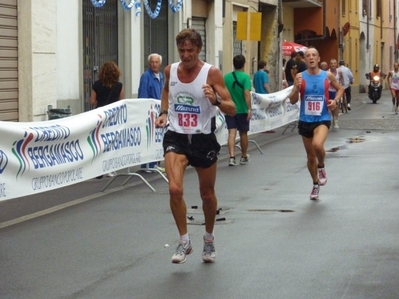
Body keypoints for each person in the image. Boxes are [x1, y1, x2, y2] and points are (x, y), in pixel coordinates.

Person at [155, 28, 236, 264]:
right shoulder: (171, 70)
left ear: (199, 50)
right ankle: (184, 240)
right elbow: (167, 90)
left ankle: (209, 238)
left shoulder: (212, 74)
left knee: (207, 195)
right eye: (182, 50)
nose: (186, 55)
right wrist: (163, 112)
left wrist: (216, 100)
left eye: (190, 50)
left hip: (203, 137)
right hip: (176, 136)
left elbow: (232, 107)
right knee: (175, 190)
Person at [288, 47, 344, 200]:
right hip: (305, 120)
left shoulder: (327, 75)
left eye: (314, 55)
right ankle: (315, 184)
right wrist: (295, 87)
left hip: (322, 118)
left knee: (317, 145)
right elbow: (292, 100)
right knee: (310, 156)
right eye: (308, 56)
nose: (311, 58)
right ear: (305, 59)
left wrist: (335, 100)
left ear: (319, 59)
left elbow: (340, 89)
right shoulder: (300, 76)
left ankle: (322, 166)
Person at [90, 61, 124, 178]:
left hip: (100, 117)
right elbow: (121, 102)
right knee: (111, 142)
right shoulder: (119, 86)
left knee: (99, 142)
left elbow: (92, 101)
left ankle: (98, 169)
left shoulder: (97, 84)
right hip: (113, 117)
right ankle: (109, 168)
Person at [138, 53, 165, 172]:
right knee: (149, 136)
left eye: (156, 62)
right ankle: (147, 164)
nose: (154, 64)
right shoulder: (146, 76)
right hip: (150, 113)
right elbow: (143, 95)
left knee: (157, 137)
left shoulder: (161, 76)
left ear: (160, 63)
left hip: (159, 111)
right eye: (152, 62)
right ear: (149, 63)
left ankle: (154, 162)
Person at [224, 55, 252, 166]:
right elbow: (246, 93)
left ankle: (231, 157)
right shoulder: (245, 77)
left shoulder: (226, 77)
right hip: (242, 110)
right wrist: (249, 107)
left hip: (229, 109)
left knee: (231, 133)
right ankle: (243, 156)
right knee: (243, 133)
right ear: (244, 64)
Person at [328, 59, 344, 129]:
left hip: (336, 91)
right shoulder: (327, 72)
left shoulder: (339, 72)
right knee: (330, 106)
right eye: (332, 63)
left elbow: (342, 80)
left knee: (336, 106)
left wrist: (341, 87)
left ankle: (336, 121)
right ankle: (332, 119)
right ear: (330, 65)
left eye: (334, 63)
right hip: (328, 90)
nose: (333, 65)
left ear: (337, 64)